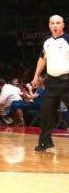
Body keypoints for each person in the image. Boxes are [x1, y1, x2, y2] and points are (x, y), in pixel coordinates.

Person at [32, 15, 69, 152]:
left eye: (58, 23)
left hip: (67, 82)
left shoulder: (67, 40)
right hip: (51, 82)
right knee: (46, 112)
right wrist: (36, 75)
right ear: (49, 25)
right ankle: (45, 142)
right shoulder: (47, 41)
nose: (55, 25)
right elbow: (43, 58)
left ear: (63, 25)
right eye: (52, 23)